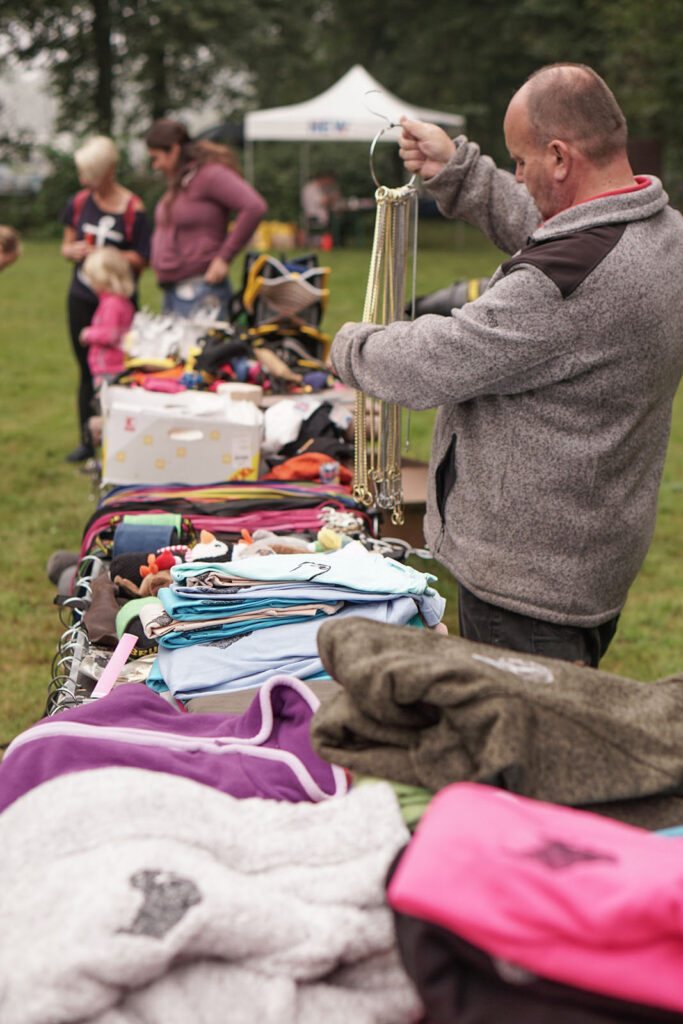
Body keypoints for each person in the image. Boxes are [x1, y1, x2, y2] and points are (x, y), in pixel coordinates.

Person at [330, 62, 683, 667]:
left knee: (517, 756)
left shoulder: (561, 284)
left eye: (520, 162)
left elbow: (434, 362)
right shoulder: (662, 233)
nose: (517, 177)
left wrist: (348, 345)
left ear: (560, 157)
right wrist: (457, 170)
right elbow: (554, 227)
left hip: (528, 595)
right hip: (585, 564)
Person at [60, 135, 151, 462]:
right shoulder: (80, 202)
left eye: (91, 174)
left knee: (120, 369)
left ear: (109, 171)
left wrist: (109, 257)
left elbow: (143, 258)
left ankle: (126, 438)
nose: (84, 181)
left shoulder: (133, 209)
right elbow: (65, 246)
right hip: (83, 296)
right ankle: (88, 437)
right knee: (88, 368)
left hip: (118, 300)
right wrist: (74, 251)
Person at [144, 119, 267, 321]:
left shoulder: (209, 175)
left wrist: (223, 258)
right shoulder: (182, 181)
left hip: (201, 291)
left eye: (156, 158)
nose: (155, 165)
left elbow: (254, 206)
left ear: (174, 150)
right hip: (174, 293)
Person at [79, 247, 135, 390]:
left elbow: (110, 335)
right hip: (115, 367)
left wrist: (88, 334)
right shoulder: (120, 302)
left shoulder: (112, 305)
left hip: (109, 370)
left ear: (104, 279)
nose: (90, 284)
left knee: (105, 405)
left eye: (92, 279)